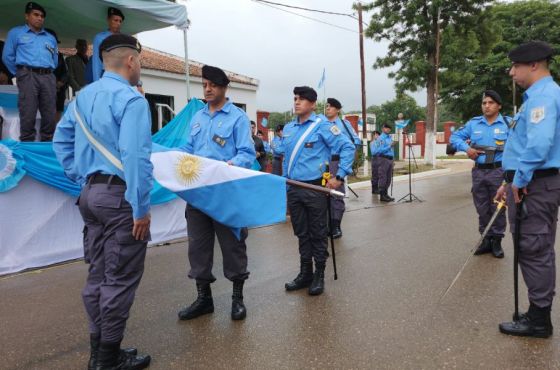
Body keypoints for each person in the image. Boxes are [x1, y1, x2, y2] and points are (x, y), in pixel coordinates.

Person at [53, 34, 152, 369]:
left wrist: (79, 175)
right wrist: (141, 208)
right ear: (131, 61)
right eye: (140, 61)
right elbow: (136, 158)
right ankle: (107, 360)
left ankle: (99, 353)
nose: (140, 66)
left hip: (90, 195)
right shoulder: (132, 100)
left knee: (98, 274)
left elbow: (60, 140)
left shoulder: (82, 97)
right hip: (120, 198)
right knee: (119, 278)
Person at [178, 65, 255, 321]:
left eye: (212, 85)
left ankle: (237, 299)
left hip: (226, 194)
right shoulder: (197, 117)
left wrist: (230, 165)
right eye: (204, 85)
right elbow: (187, 147)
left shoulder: (238, 118)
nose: (207, 89)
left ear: (224, 88)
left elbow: (247, 153)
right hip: (198, 194)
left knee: (233, 246)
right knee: (198, 248)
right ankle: (204, 299)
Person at [495, 41, 560, 339]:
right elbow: (523, 146)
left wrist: (519, 180)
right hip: (530, 182)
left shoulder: (543, 97)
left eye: (515, 66)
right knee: (535, 246)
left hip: (535, 184)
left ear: (533, 64)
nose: (511, 72)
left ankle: (539, 320)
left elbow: (539, 145)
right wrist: (509, 181)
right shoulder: (539, 95)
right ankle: (537, 312)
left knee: (533, 248)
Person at [283, 86, 355, 295]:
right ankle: (305, 273)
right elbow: (285, 156)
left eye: (302, 99)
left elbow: (347, 147)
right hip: (294, 187)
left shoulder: (322, 125)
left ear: (313, 104)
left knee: (317, 232)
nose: (297, 102)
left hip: (315, 187)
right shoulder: (289, 128)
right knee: (301, 232)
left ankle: (319, 275)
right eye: (295, 98)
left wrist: (339, 176)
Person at [450, 90, 509, 258]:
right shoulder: (473, 124)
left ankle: (497, 241)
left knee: (498, 207)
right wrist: (467, 148)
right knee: (482, 207)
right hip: (479, 172)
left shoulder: (507, 123)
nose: (487, 106)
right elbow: (455, 138)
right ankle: (485, 239)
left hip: (498, 171)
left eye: (490, 103)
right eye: (484, 103)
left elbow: (518, 144)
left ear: (498, 106)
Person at [2, 2, 58, 141]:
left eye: (42, 16)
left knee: (50, 113)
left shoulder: (50, 37)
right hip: (27, 75)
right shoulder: (16, 33)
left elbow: (55, 59)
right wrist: (19, 73)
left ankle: (47, 144)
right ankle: (27, 145)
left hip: (48, 76)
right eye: (36, 15)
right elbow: (7, 56)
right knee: (28, 112)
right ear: (27, 16)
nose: (40, 18)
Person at [324, 98, 359, 238]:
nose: (328, 109)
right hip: (322, 164)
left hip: (336, 161)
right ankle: (326, 225)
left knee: (336, 194)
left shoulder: (344, 124)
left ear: (337, 110)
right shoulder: (322, 124)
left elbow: (355, 140)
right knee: (323, 193)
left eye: (331, 107)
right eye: (327, 107)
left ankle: (336, 226)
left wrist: (346, 155)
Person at [92, 7, 124, 81]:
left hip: (122, 76)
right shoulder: (99, 38)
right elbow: (97, 62)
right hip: (106, 75)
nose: (118, 23)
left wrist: (138, 84)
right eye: (115, 20)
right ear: (108, 20)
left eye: (120, 21)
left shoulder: (124, 39)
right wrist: (96, 83)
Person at [45, 29, 67, 122]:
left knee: (58, 110)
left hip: (59, 89)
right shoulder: (39, 56)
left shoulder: (59, 55)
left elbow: (65, 72)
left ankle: (55, 131)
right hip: (46, 88)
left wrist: (61, 82)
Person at [371, 124, 395, 202]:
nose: (388, 129)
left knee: (388, 178)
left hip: (390, 159)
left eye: (389, 128)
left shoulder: (389, 138)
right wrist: (389, 146)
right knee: (383, 177)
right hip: (383, 159)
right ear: (383, 129)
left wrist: (393, 159)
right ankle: (382, 195)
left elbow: (391, 150)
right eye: (386, 128)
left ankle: (386, 194)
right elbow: (379, 150)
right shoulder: (380, 138)